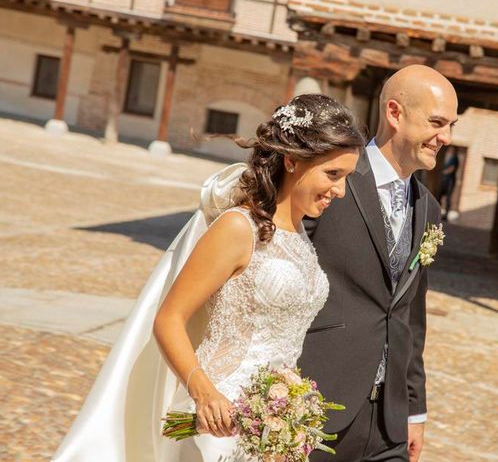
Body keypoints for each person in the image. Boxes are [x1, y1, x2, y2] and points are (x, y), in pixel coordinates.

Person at [52, 94, 364, 462]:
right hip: (219, 421)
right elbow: (169, 318)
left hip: (272, 428)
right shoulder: (237, 227)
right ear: (292, 161)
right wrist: (203, 392)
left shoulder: (299, 236)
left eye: (346, 177)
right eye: (333, 174)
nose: (341, 190)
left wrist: (289, 414)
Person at [299, 65, 458, 462]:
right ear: (394, 113)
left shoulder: (429, 209)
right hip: (318, 404)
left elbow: (410, 316)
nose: (447, 137)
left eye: (451, 125)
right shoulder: (333, 180)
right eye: (437, 122)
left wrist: (414, 408)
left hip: (389, 425)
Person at [438, 145, 459, 220]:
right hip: (442, 179)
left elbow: (452, 169)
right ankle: (438, 212)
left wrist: (443, 172)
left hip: (449, 180)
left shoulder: (454, 158)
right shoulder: (445, 156)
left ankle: (446, 214)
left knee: (448, 198)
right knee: (439, 196)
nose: (450, 150)